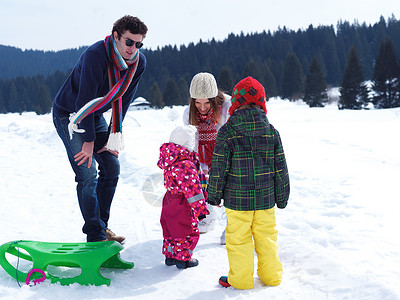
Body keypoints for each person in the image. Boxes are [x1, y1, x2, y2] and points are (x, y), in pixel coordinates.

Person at [52, 15, 148, 243]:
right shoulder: (96, 55)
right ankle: (95, 235)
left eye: (138, 44)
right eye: (129, 42)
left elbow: (124, 99)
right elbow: (83, 101)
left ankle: (102, 227)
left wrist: (114, 136)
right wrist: (89, 142)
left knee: (111, 166)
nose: (133, 48)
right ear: (116, 36)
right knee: (87, 173)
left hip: (93, 114)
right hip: (71, 115)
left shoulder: (138, 62)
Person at [206, 76, 290, 289]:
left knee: (238, 240)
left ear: (235, 103)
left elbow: (218, 168)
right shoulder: (271, 131)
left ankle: (241, 280)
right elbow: (281, 168)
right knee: (267, 237)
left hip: (237, 201)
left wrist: (213, 195)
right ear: (262, 102)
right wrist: (282, 197)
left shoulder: (227, 132)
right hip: (265, 200)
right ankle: (271, 277)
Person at [183, 72, 231, 242]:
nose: (202, 108)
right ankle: (207, 216)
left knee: (230, 186)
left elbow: (231, 138)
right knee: (202, 181)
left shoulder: (227, 107)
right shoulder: (189, 113)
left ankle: (232, 225)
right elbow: (192, 143)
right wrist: (198, 169)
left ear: (215, 99)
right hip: (203, 154)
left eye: (206, 103)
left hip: (225, 151)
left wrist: (221, 165)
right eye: (198, 103)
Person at [157, 125, 209, 269]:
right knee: (186, 230)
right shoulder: (185, 164)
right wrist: (201, 210)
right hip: (182, 201)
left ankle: (170, 256)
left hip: (168, 200)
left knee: (170, 228)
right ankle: (183, 259)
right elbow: (193, 191)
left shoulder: (169, 159)